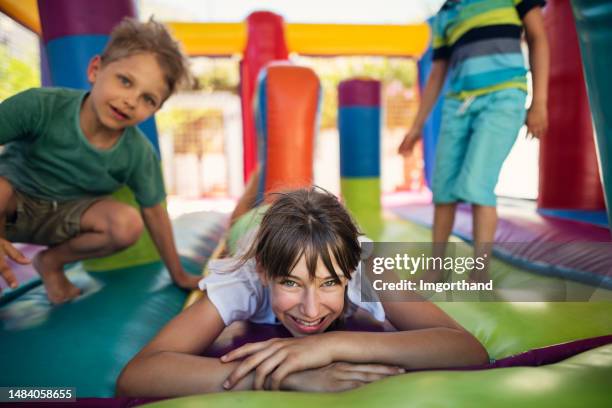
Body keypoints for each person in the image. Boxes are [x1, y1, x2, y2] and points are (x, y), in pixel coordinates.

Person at [116, 187, 488, 397]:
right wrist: (284, 376)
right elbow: (137, 375)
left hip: (312, 230)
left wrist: (329, 346)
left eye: (330, 284)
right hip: (252, 230)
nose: (311, 310)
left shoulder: (363, 262)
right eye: (291, 284)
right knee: (242, 218)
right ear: (265, 273)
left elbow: (468, 350)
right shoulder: (244, 276)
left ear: (348, 272)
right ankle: (247, 199)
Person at [0, 18, 201, 304]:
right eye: (125, 81)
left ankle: (52, 262)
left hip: (64, 218)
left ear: (156, 109)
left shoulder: (137, 153)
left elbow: (155, 214)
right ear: (96, 69)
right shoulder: (40, 106)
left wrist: (179, 275)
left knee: (127, 223)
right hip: (9, 206)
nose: (130, 101)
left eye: (148, 99)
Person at [398, 0, 549, 281]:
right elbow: (437, 72)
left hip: (503, 98)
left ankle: (480, 272)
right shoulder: (446, 13)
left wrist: (538, 102)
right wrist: (416, 126)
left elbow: (538, 37)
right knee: (443, 187)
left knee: (477, 183)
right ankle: (437, 267)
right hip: (458, 105)